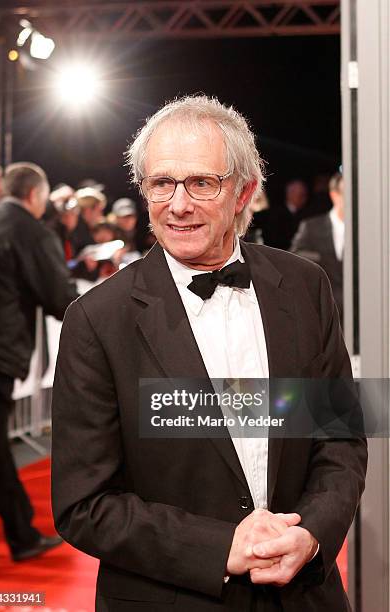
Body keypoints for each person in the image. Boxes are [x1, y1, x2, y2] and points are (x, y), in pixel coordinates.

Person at [51, 96, 367, 611]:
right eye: (162, 183)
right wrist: (222, 548)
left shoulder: (305, 286)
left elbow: (339, 439)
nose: (178, 205)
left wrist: (310, 535)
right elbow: (85, 504)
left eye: (201, 183)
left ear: (243, 191)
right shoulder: (96, 319)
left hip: (306, 596)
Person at [0, 162, 78, 566]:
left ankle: (21, 534)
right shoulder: (31, 231)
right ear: (36, 195)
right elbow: (60, 298)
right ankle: (22, 535)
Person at [291, 172, 344, 321]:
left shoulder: (364, 230)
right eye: (347, 193)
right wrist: (321, 258)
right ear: (335, 195)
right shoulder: (312, 226)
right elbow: (295, 255)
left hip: (359, 310)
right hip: (324, 310)